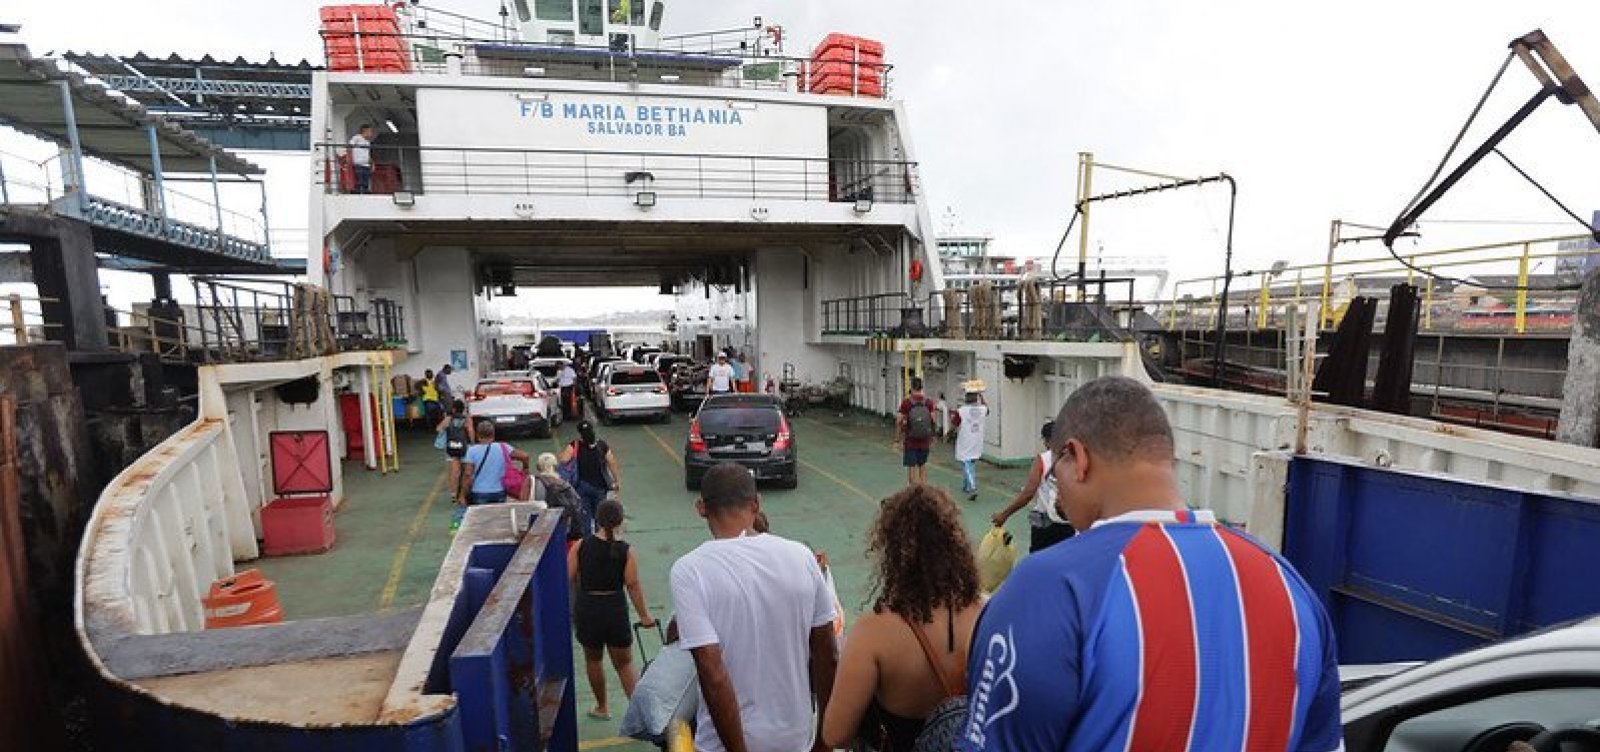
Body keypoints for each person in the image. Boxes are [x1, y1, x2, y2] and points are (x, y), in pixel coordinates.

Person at [958, 377, 1341, 752]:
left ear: (1078, 458)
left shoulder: (1049, 588)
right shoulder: (1291, 589)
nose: (1059, 496)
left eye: (1057, 475)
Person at [670, 462, 838, 752]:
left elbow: (712, 673)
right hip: (795, 739)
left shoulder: (689, 571)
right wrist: (824, 740)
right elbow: (828, 654)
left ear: (700, 507)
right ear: (756, 504)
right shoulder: (801, 557)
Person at [823, 485, 982, 752]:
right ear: (956, 545)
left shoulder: (873, 633)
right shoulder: (985, 615)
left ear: (892, 551)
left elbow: (835, 734)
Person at [569, 499, 658, 721]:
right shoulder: (626, 550)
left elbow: (569, 576)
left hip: (588, 607)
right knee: (625, 663)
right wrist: (644, 616)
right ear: (620, 521)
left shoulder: (581, 546)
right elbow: (632, 584)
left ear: (597, 520)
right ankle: (641, 715)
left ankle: (602, 706)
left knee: (593, 659)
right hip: (614, 609)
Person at [989, 420, 1076, 553]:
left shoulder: (1043, 460)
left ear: (1047, 441)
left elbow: (1028, 493)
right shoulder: (1076, 458)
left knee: (1040, 564)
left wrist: (1004, 515)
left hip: (1045, 527)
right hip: (1070, 524)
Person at [455, 421, 531, 527]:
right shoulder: (503, 447)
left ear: (477, 435)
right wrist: (525, 468)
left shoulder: (472, 451)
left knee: (481, 523)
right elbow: (525, 456)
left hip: (479, 493)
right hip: (499, 492)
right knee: (497, 521)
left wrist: (462, 495)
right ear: (493, 434)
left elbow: (467, 474)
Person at [559, 421, 621, 533]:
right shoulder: (601, 445)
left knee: (585, 518)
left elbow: (564, 460)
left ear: (580, 433)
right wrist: (616, 481)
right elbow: (611, 462)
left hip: (581, 487)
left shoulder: (575, 445)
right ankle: (600, 540)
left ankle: (588, 543)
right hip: (600, 487)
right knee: (600, 517)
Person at [535, 451, 586, 546]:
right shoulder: (564, 484)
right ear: (555, 466)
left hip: (540, 525)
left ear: (538, 466)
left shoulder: (534, 481)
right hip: (563, 525)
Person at [894, 377, 936, 485]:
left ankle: (912, 490)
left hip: (910, 441)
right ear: (921, 388)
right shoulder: (928, 402)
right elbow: (933, 420)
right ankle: (924, 489)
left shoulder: (907, 403)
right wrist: (932, 437)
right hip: (925, 440)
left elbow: (899, 421)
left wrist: (897, 439)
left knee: (911, 467)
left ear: (911, 388)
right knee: (922, 465)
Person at [950, 389, 988, 501]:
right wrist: (982, 397)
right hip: (977, 439)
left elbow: (954, 424)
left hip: (965, 440)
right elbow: (987, 408)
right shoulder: (982, 409)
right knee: (971, 463)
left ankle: (972, 486)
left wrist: (949, 433)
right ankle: (966, 485)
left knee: (965, 462)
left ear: (966, 399)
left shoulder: (961, 411)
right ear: (977, 398)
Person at [349, 123, 373, 194]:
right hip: (358, 162)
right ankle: (357, 191)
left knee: (366, 179)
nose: (371, 133)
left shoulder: (368, 142)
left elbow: (367, 153)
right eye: (370, 131)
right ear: (365, 130)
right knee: (359, 178)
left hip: (366, 164)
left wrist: (371, 162)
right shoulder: (357, 138)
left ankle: (365, 191)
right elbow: (350, 146)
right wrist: (350, 158)